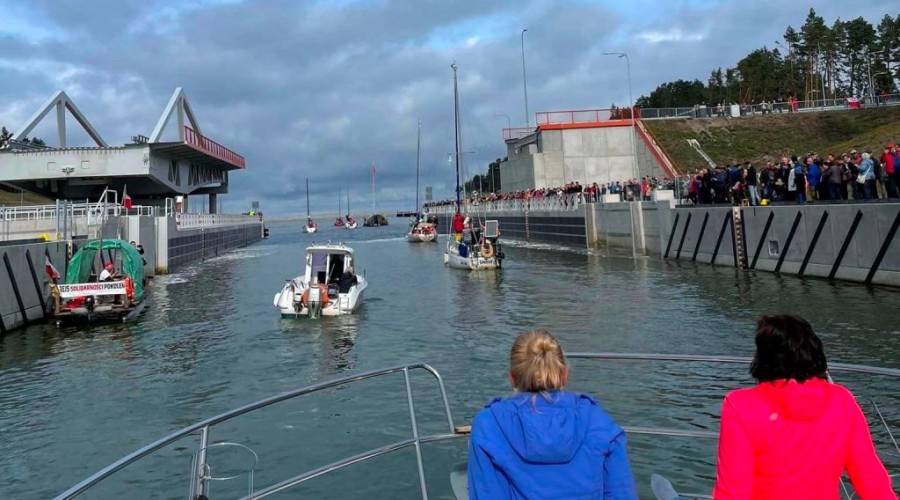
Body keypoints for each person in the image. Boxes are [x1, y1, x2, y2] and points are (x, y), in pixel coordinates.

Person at [713, 315, 894, 499]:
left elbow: (733, 491)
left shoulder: (740, 405)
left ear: (763, 357)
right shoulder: (842, 400)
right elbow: (870, 478)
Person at [467, 330, 637, 499]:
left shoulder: (489, 425)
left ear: (512, 378)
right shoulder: (598, 421)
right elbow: (622, 494)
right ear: (564, 375)